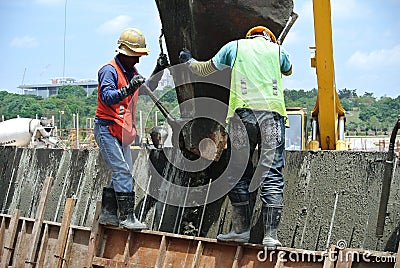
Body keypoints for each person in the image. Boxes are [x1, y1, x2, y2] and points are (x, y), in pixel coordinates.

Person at [179, 26, 292, 249]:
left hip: (244, 117)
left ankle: (241, 231)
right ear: (268, 37)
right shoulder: (278, 50)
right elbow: (287, 70)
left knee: (238, 170)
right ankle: (271, 236)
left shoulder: (235, 47)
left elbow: (205, 69)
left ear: (249, 36)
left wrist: (188, 61)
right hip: (273, 117)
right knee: (272, 173)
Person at [94, 28, 169, 230]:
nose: (137, 61)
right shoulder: (108, 71)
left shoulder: (131, 71)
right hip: (107, 129)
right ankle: (127, 217)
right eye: (135, 57)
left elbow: (147, 89)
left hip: (122, 131)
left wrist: (158, 70)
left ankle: (109, 214)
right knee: (123, 172)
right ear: (125, 53)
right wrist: (128, 88)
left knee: (122, 173)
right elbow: (107, 97)